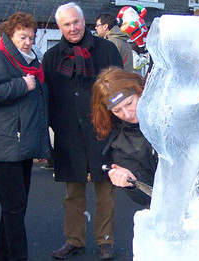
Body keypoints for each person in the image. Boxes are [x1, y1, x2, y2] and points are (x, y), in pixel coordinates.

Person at [91, 66, 199, 207]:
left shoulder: (169, 103)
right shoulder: (122, 143)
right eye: (117, 110)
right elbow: (149, 195)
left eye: (129, 103)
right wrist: (133, 183)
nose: (127, 114)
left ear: (139, 91)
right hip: (176, 210)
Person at [42, 2, 123, 260]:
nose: (73, 28)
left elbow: (120, 88)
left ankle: (105, 241)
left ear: (83, 20)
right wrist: (58, 126)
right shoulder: (52, 57)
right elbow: (49, 97)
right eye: (66, 24)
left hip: (102, 130)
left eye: (76, 22)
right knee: (73, 193)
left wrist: (114, 122)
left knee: (105, 190)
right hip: (69, 133)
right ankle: (74, 240)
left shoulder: (107, 49)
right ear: (60, 27)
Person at [0, 12, 50, 260]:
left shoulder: (32, 64)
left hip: (22, 144)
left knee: (13, 209)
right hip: (3, 144)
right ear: (10, 35)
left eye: (31, 37)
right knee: (14, 208)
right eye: (22, 36)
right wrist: (22, 85)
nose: (27, 42)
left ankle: (3, 255)